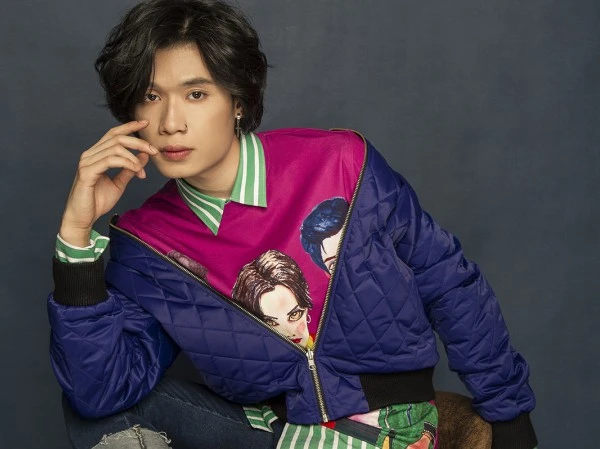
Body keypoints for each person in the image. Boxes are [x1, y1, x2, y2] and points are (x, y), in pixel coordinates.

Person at [48, 1, 538, 448]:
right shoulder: (146, 242)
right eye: (151, 96)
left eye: (196, 93)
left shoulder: (342, 166)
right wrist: (75, 236)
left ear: (238, 101)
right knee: (91, 414)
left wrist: (509, 416)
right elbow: (104, 392)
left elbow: (450, 286)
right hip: (270, 432)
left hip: (389, 427)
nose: (171, 122)